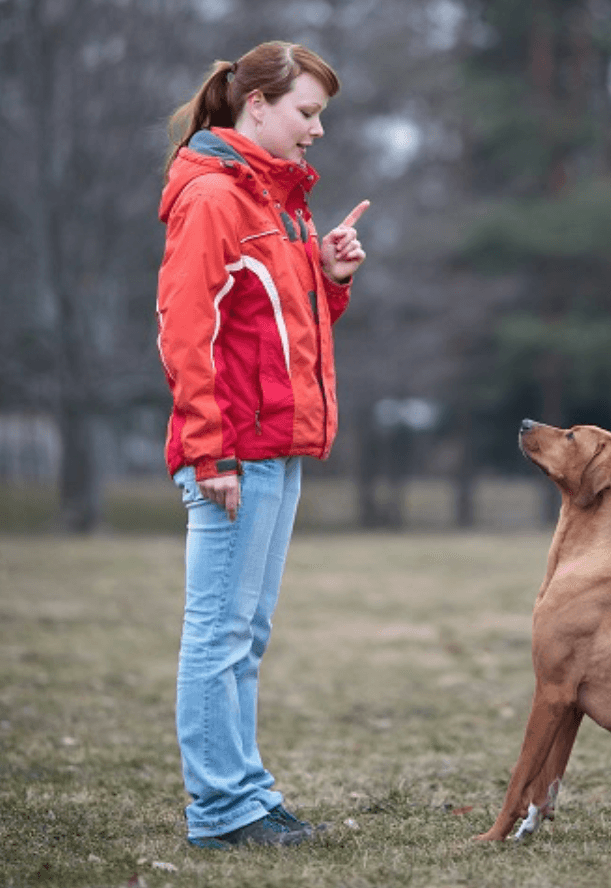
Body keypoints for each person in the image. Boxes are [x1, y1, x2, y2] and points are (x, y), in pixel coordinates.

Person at [156, 40, 368, 849]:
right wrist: (209, 455)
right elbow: (186, 333)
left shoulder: (280, 201)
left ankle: (244, 792)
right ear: (256, 105)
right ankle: (221, 811)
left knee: (246, 635)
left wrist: (330, 275)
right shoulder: (214, 198)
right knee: (217, 635)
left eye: (320, 116)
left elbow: (280, 332)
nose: (317, 130)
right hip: (233, 455)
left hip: (273, 449)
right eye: (306, 113)